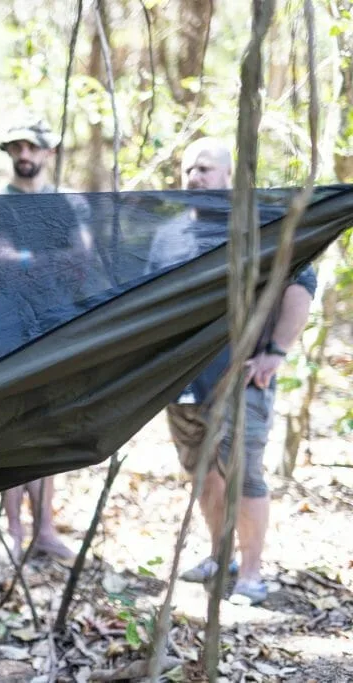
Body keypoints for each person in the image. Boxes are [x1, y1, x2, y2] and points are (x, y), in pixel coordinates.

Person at [148, 137, 316, 604]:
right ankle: (221, 555)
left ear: (229, 176)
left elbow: (300, 286)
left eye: (204, 168)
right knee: (203, 474)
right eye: (187, 170)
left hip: (241, 378)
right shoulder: (170, 233)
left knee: (244, 475)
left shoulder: (258, 229)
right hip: (183, 384)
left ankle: (252, 574)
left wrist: (276, 352)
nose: (194, 178)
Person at [0, 117, 95, 562]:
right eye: (16, 147)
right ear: (8, 153)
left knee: (47, 424)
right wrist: (46, 260)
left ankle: (45, 529)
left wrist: (26, 260)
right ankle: (14, 532)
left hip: (56, 324)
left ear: (49, 153)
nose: (24, 155)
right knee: (11, 422)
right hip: (6, 325)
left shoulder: (69, 204)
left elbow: (82, 258)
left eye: (32, 147)